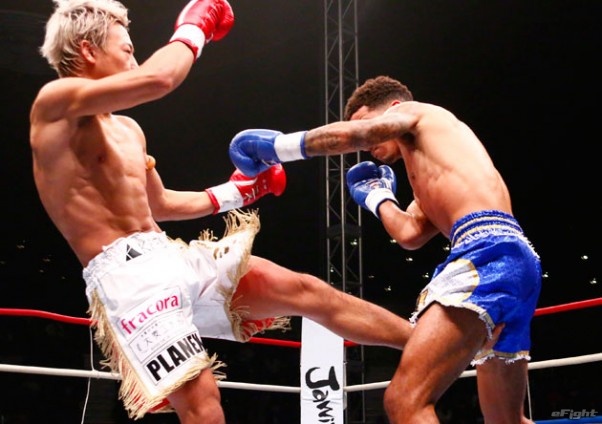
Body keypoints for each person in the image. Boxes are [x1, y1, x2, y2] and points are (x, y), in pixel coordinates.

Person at [30, 1, 412, 422]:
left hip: (167, 253)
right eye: (127, 48)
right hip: (126, 277)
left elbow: (161, 205)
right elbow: (159, 78)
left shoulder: (128, 130)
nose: (135, 59)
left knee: (306, 290)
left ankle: (428, 343)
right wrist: (194, 29)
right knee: (202, 402)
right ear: (88, 50)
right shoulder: (54, 105)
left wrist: (239, 192)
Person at [229, 75, 542, 423]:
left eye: (365, 121)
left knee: (405, 400)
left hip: (487, 254)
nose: (366, 146)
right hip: (513, 261)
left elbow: (359, 135)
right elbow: (410, 234)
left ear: (392, 108)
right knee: (505, 419)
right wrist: (378, 197)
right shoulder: (432, 170)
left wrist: (278, 148)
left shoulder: (418, 112)